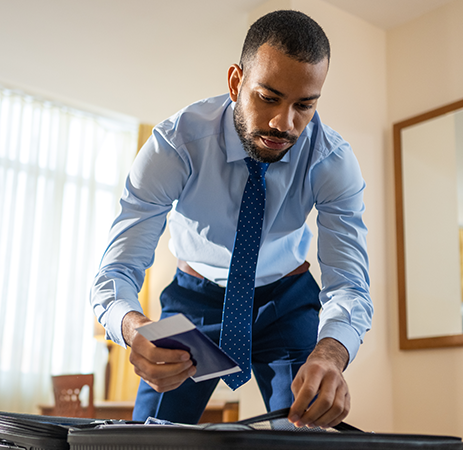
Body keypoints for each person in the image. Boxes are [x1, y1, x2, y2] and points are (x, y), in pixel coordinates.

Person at [90, 10, 372, 428]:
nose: (284, 123)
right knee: (148, 437)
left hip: (287, 302)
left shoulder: (331, 161)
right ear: (236, 82)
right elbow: (116, 271)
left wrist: (331, 353)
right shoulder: (175, 145)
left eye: (304, 105)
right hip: (195, 301)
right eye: (269, 97)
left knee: (307, 435)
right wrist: (133, 329)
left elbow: (349, 284)